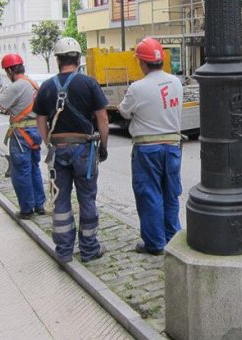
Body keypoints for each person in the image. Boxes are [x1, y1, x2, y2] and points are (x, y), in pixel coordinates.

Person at [34, 37, 109, 263]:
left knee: (61, 201)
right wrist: (103, 147)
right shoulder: (89, 83)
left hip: (58, 151)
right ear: (78, 58)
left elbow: (40, 121)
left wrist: (50, 142)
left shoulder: (47, 87)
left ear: (57, 60)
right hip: (84, 150)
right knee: (87, 199)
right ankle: (89, 249)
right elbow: (102, 118)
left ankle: (64, 250)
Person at [118, 37, 184, 256]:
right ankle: (173, 239)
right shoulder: (175, 82)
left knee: (150, 195)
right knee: (170, 193)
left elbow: (124, 112)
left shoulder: (137, 88)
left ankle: (155, 243)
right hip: (173, 146)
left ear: (142, 63)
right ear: (162, 60)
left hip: (147, 149)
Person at [0, 54, 46, 219]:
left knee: (21, 171)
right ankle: (39, 205)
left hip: (21, 134)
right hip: (35, 131)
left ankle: (26, 209)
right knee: (34, 168)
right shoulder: (32, 83)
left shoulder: (16, 86)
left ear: (9, 70)